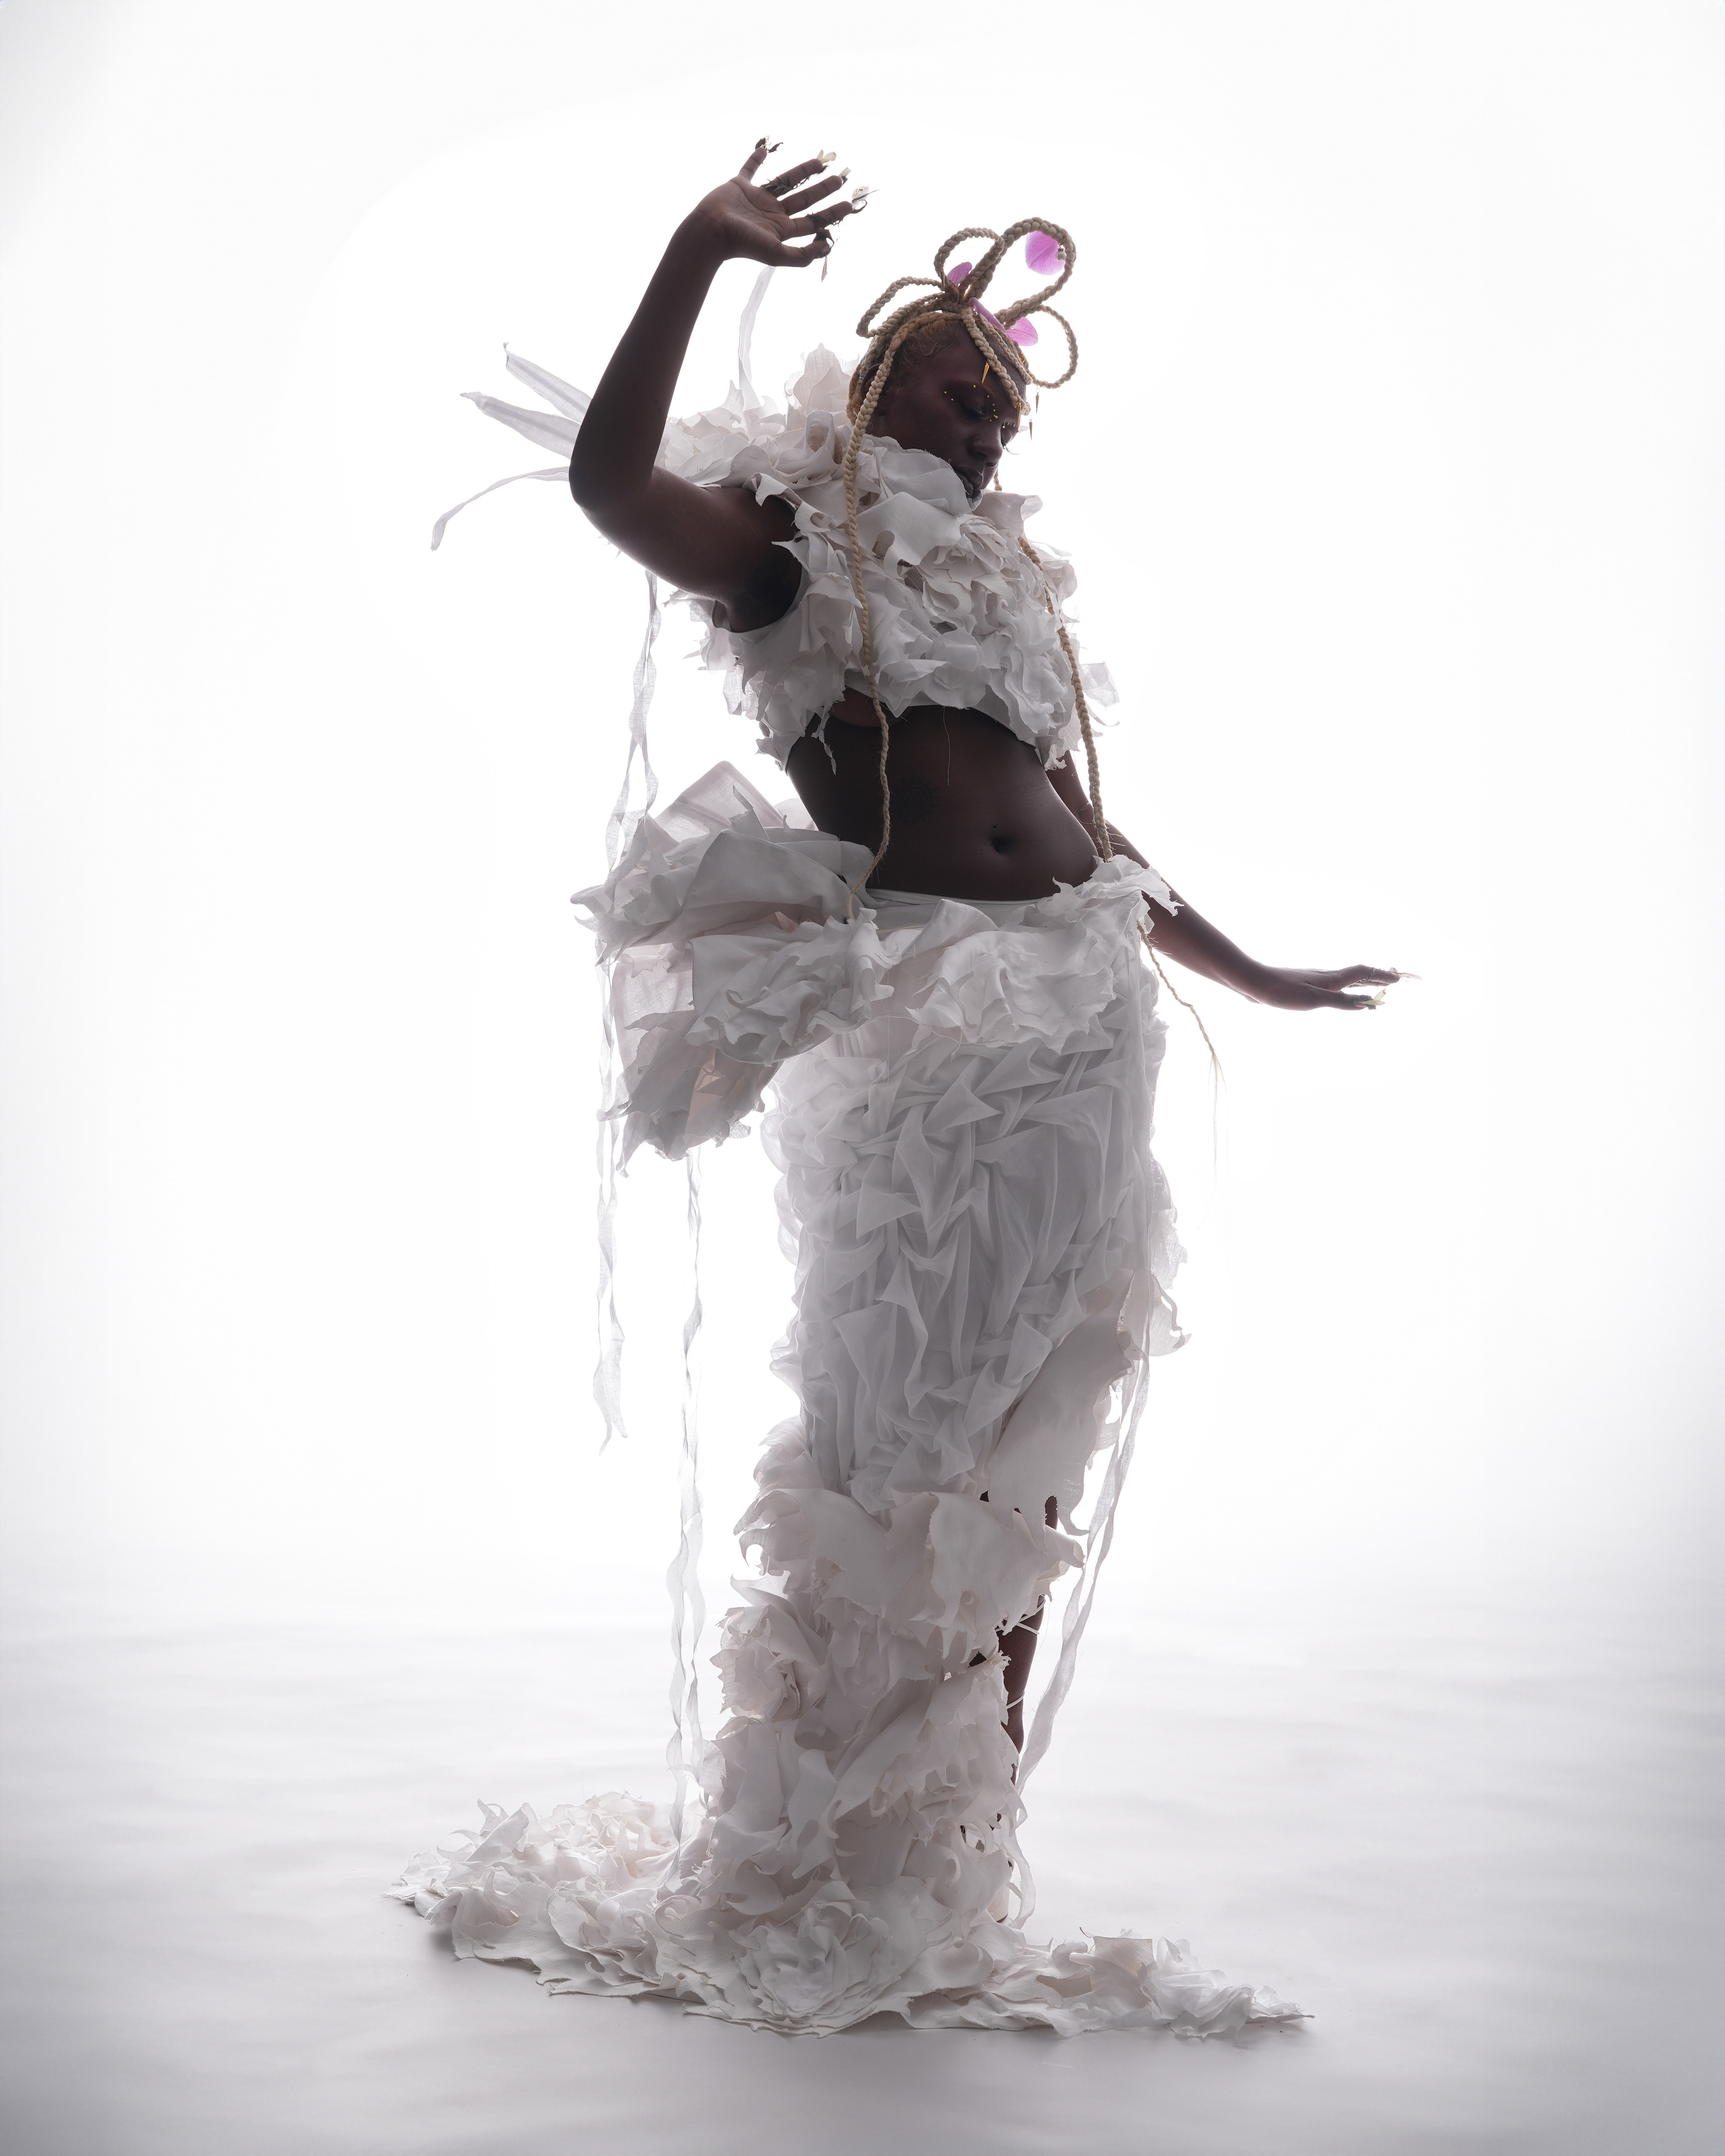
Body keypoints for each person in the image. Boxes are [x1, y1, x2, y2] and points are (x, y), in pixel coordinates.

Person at [392, 144, 1398, 2037]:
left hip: (1084, 1014)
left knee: (1038, 1421)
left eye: (1008, 405)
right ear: (873, 387)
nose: (990, 420)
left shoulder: (1004, 591)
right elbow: (608, 487)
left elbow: (1084, 824)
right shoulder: (796, 551)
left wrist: (1256, 972)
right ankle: (819, 1849)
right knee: (903, 1428)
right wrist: (694, 252)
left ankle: (958, 1842)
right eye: (960, 383)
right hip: (926, 1026)